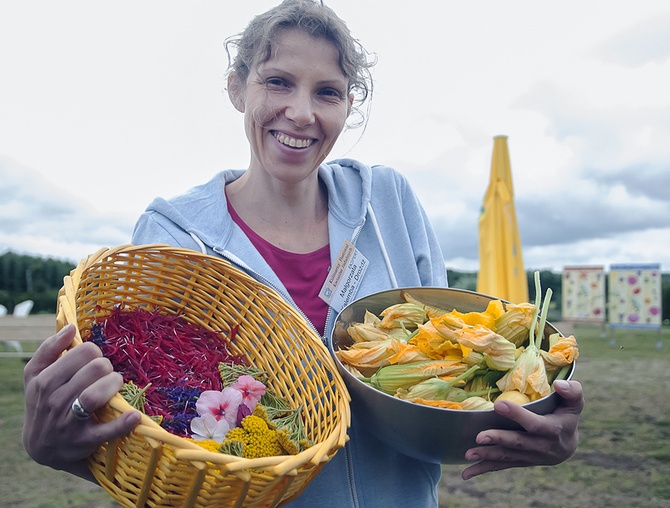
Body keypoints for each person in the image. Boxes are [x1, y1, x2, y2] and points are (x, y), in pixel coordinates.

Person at [22, 1, 584, 506]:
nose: (301, 113)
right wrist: (57, 447)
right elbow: (162, 443)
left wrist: (533, 424)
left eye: (327, 93)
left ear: (348, 105)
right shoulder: (173, 235)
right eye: (278, 82)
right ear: (237, 87)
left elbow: (443, 389)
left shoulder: (389, 202)